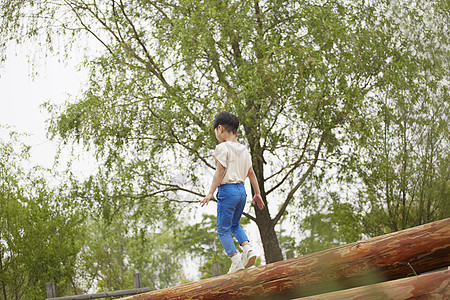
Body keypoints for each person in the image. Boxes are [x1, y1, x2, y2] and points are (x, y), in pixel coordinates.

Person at [200, 112, 265, 274]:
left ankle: (236, 260)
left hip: (227, 191)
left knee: (222, 228)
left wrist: (210, 193)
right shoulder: (244, 149)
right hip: (241, 192)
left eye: (215, 131)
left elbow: (220, 171)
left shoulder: (222, 148)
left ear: (220, 128)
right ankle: (248, 249)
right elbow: (251, 173)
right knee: (235, 225)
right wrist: (257, 193)